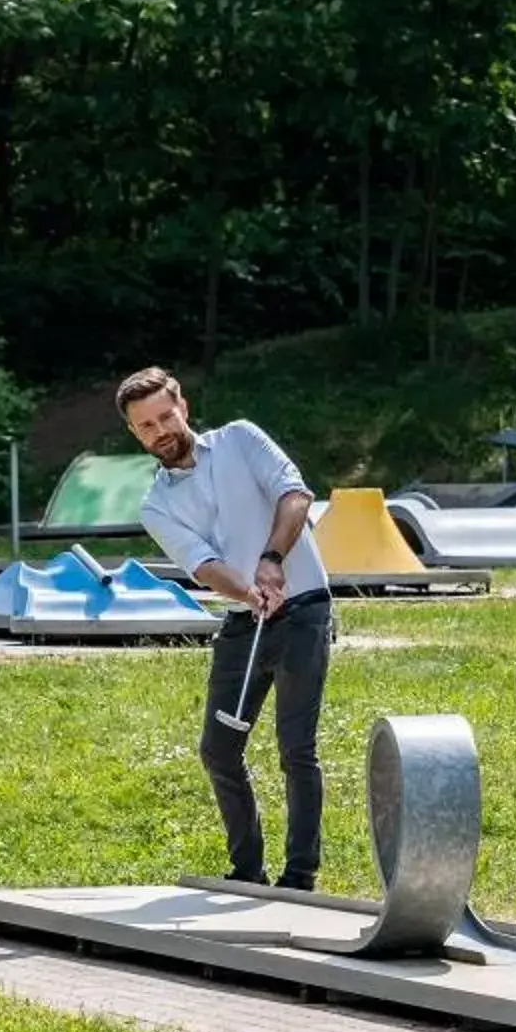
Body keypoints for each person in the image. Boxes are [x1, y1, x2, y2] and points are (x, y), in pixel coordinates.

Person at [120, 367, 334, 890]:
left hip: (304, 608)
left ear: (183, 407)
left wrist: (272, 558)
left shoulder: (240, 438)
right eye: (146, 426)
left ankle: (300, 877)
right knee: (218, 750)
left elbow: (296, 496)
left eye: (166, 416)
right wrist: (245, 592)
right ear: (136, 434)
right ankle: (247, 871)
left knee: (296, 748)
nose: (160, 430)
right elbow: (203, 564)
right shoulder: (157, 505)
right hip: (243, 623)